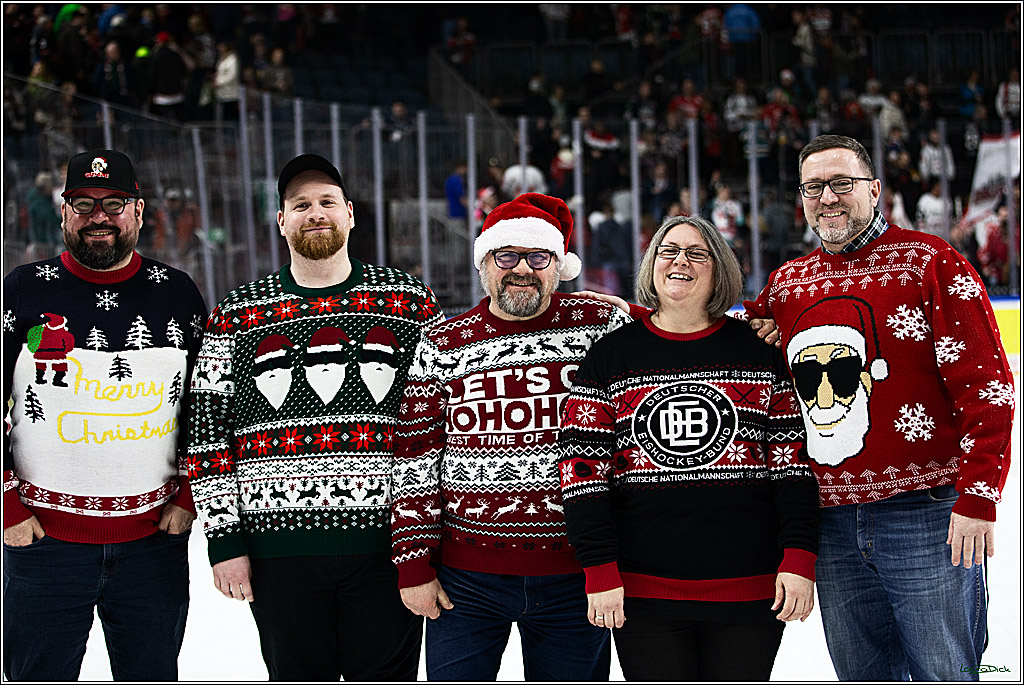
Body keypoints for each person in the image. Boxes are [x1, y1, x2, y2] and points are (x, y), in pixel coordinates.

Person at [745, 134, 1014, 681]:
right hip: (831, 523)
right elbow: (743, 359)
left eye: (841, 183)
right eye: (813, 187)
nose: (827, 197)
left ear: (874, 190)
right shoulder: (788, 284)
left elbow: (986, 387)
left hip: (927, 514)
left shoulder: (930, 263)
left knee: (945, 671)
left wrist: (979, 495)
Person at [187, 154, 440, 681]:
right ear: (281, 221)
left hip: (387, 545)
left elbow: (440, 413)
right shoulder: (237, 312)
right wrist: (224, 541)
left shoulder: (407, 299)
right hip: (278, 550)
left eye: (327, 202)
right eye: (299, 204)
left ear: (350, 213)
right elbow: (206, 431)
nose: (315, 212)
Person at [559, 214, 819, 681]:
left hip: (749, 588)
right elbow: (582, 474)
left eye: (697, 253)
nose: (680, 261)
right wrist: (598, 567)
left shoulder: (758, 352)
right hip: (643, 592)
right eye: (668, 251)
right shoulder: (610, 356)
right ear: (651, 264)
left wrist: (799, 556)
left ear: (719, 269)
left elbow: (793, 469)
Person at [391, 193, 633, 680]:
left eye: (538, 256)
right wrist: (413, 564)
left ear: (558, 264)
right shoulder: (442, 339)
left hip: (577, 573)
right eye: (507, 255)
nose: (521, 268)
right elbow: (414, 458)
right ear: (484, 262)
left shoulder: (599, 326)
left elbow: (675, 331)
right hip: (467, 578)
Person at [3, 149, 207, 680]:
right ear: (64, 212)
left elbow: (207, 405)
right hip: (44, 544)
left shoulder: (178, 293)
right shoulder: (23, 288)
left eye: (113, 203)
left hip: (151, 548)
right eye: (83, 203)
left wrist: (187, 496)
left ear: (138, 211)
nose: (99, 216)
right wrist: (8, 509)